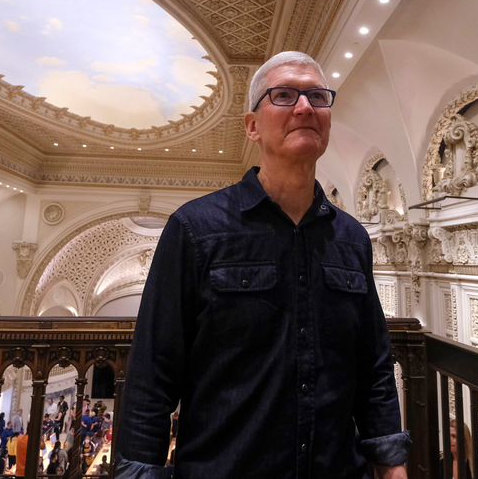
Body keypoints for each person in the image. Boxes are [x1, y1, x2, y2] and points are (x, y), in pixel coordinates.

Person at [116, 51, 409, 478]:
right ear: (252, 126)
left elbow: (373, 365)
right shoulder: (196, 229)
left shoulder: (351, 238)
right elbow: (152, 375)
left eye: (318, 97)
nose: (306, 107)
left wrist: (391, 463)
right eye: (285, 95)